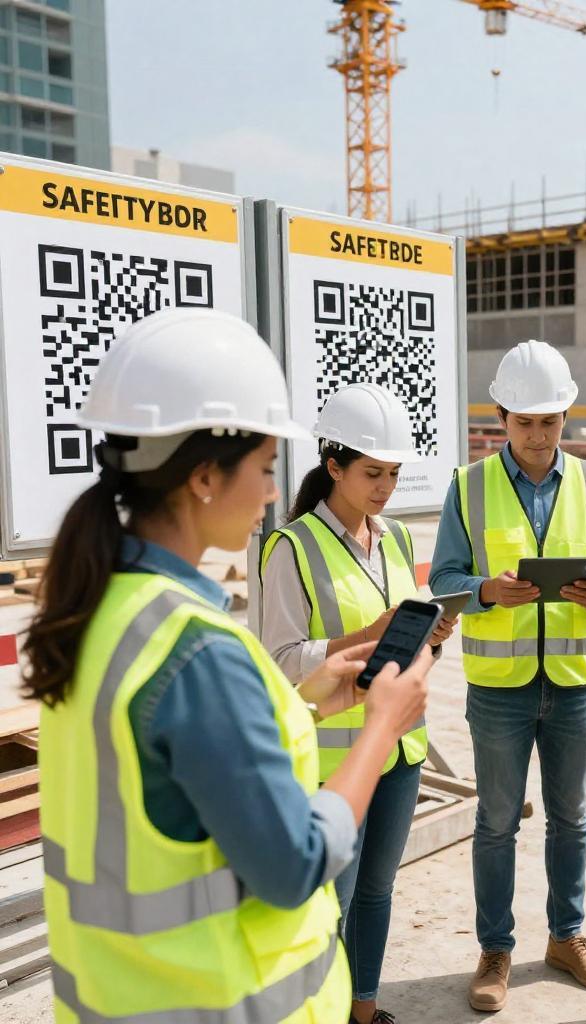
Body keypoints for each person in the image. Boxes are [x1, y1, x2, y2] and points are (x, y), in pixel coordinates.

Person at [25, 308, 432, 1023]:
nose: (274, 491)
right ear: (205, 477)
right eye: (266, 468)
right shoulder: (197, 649)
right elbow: (294, 863)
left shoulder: (96, 612)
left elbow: (167, 768)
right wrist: (379, 727)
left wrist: (307, 705)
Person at [430, 339, 586, 1012]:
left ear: (566, 416)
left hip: (574, 680)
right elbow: (443, 582)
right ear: (501, 417)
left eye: (549, 421)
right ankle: (495, 948)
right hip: (499, 690)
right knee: (496, 821)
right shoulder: (468, 487)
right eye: (524, 422)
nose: (538, 436)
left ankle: (566, 937)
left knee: (571, 819)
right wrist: (486, 590)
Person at [261, 381, 455, 1024]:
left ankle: (364, 1011)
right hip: (335, 757)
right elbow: (282, 662)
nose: (385, 487)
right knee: (332, 900)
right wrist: (369, 634)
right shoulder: (290, 548)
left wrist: (428, 636)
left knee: (376, 891)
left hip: (401, 745)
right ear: (333, 465)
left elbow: (403, 650)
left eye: (395, 473)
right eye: (372, 472)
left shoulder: (397, 540)